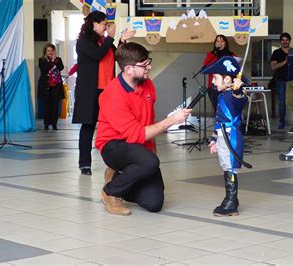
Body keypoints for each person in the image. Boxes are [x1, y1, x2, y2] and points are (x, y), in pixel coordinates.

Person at [96, 42, 192, 216]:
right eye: (144, 65)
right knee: (149, 161)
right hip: (114, 146)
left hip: (138, 147)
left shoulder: (147, 85)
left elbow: (149, 121)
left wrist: (151, 151)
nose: (150, 67)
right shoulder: (113, 95)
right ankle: (110, 192)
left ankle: (116, 179)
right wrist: (171, 120)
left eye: (149, 62)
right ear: (128, 69)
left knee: (154, 203)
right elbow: (136, 134)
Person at [72, 11, 133, 175]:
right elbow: (97, 55)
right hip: (90, 91)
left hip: (108, 91)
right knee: (88, 126)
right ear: (94, 24)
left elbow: (117, 55)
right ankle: (84, 163)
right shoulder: (83, 42)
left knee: (114, 126)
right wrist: (110, 37)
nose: (107, 27)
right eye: (104, 24)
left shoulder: (103, 41)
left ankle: (117, 163)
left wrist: (122, 40)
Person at [202, 56, 248, 217]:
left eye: (216, 78)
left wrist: (237, 90)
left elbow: (240, 102)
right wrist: (214, 139)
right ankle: (230, 199)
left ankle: (231, 202)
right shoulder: (222, 96)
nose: (213, 82)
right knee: (225, 166)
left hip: (231, 137)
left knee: (230, 167)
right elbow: (219, 120)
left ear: (227, 79)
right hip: (222, 136)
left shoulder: (232, 95)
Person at [202, 35, 236, 112]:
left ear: (225, 43)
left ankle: (227, 124)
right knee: (217, 109)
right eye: (217, 41)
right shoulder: (211, 55)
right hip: (214, 87)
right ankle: (219, 124)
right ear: (215, 43)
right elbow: (205, 68)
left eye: (222, 41)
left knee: (227, 110)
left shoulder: (231, 55)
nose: (219, 43)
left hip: (228, 86)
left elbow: (236, 69)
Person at [37, 43, 65, 130]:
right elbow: (43, 68)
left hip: (56, 86)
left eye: (52, 50)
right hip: (46, 86)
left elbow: (61, 67)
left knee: (55, 106)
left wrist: (54, 60)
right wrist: (52, 62)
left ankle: (54, 124)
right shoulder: (42, 59)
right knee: (47, 106)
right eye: (48, 50)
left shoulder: (58, 59)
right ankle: (46, 124)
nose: (50, 52)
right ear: (45, 51)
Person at [270, 32, 291, 129]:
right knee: (282, 101)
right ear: (280, 41)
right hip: (280, 80)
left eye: (287, 40)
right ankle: (281, 121)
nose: (285, 42)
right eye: (283, 40)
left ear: (289, 41)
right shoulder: (276, 52)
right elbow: (273, 66)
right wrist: (285, 62)